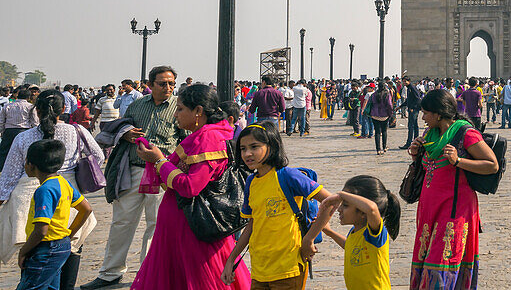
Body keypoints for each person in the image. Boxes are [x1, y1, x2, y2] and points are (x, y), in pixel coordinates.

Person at [127, 84, 250, 289]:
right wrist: (159, 159)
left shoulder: (208, 137)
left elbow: (191, 186)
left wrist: (159, 161)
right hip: (183, 225)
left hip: (192, 229)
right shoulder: (204, 134)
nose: (175, 114)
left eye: (181, 108)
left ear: (198, 111)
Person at [82, 66, 182, 290]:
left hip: (163, 173)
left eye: (171, 84)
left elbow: (185, 139)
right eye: (162, 83)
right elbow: (122, 126)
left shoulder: (179, 107)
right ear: (150, 84)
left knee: (157, 225)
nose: (168, 88)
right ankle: (110, 272)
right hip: (135, 170)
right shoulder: (137, 105)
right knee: (121, 222)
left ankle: (150, 272)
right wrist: (126, 134)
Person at [0, 90, 104, 290]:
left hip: (28, 202)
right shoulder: (76, 132)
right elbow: (98, 157)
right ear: (64, 109)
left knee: (34, 267)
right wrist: (75, 176)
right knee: (71, 253)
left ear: (36, 111)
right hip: (69, 198)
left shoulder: (23, 137)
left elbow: (8, 176)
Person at [222, 124, 333, 289]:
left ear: (271, 146)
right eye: (243, 149)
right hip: (260, 270)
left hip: (288, 269)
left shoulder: (287, 176)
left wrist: (309, 239)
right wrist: (231, 259)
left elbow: (331, 201)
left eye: (254, 147)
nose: (247, 154)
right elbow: (253, 224)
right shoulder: (251, 182)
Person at [408, 89, 498, 289]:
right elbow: (428, 167)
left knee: (442, 264)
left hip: (454, 209)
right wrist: (416, 155)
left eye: (426, 113)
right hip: (429, 209)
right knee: (427, 260)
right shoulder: (429, 135)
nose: (422, 117)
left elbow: (492, 165)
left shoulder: (465, 133)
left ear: (438, 113)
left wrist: (458, 161)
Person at [16, 139, 94, 290]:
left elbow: (41, 230)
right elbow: (86, 209)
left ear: (31, 165)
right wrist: (68, 235)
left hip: (46, 248)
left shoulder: (44, 190)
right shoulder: (63, 183)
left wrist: (23, 251)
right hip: (61, 245)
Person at [302, 175, 401, 290]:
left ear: (363, 212)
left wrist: (341, 195)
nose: (339, 209)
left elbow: (372, 208)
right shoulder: (355, 231)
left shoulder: (375, 233)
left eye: (345, 205)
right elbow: (350, 246)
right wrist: (329, 232)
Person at [0, 85, 38, 168]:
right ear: (28, 97)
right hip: (24, 131)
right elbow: (35, 122)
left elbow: (1, 122)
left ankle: (2, 169)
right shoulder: (30, 107)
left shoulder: (8, 106)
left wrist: (3, 133)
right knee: (23, 152)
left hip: (9, 131)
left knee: (4, 152)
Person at [368, 83, 394, 155]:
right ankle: (384, 147)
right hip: (384, 115)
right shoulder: (387, 94)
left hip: (375, 115)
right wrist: (390, 113)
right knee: (384, 131)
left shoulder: (373, 94)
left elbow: (370, 103)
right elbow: (389, 104)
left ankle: (378, 149)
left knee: (377, 132)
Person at [399, 78, 422, 150]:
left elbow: (417, 98)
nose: (404, 83)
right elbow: (408, 100)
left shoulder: (412, 88)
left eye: (405, 81)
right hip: (412, 109)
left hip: (413, 110)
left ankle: (409, 143)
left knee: (411, 126)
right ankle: (416, 142)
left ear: (409, 81)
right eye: (403, 81)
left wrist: (413, 107)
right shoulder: (409, 88)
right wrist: (400, 106)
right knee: (415, 125)